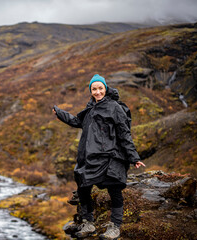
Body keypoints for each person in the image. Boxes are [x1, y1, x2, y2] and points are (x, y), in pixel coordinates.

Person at [53, 74, 145, 240]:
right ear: (91, 90)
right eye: (94, 89)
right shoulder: (90, 108)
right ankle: (89, 223)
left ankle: (115, 227)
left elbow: (124, 133)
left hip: (110, 156)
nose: (97, 92)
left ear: (105, 88)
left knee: (114, 190)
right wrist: (60, 113)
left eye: (100, 88)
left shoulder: (114, 107)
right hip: (90, 157)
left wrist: (133, 157)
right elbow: (76, 121)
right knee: (83, 188)